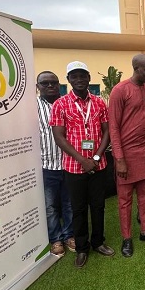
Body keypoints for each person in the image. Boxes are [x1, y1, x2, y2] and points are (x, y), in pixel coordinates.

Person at [50, 61, 114, 268]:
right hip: (74, 167)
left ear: (88, 78)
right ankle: (81, 247)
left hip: (98, 165)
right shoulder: (60, 104)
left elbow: (107, 132)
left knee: (98, 206)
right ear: (68, 80)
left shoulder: (98, 103)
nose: (79, 80)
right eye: (74, 76)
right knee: (77, 209)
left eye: (82, 76)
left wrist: (95, 158)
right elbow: (59, 138)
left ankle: (98, 242)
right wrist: (82, 160)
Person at [109, 54, 145, 258]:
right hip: (126, 155)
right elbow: (113, 127)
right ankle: (126, 238)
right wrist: (120, 159)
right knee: (124, 200)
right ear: (135, 68)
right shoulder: (119, 90)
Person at [36, 71, 74, 257]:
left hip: (68, 163)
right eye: (45, 83)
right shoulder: (32, 107)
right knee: (50, 206)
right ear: (38, 87)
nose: (50, 86)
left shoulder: (68, 104)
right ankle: (56, 239)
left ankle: (69, 235)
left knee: (69, 203)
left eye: (54, 83)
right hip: (46, 165)